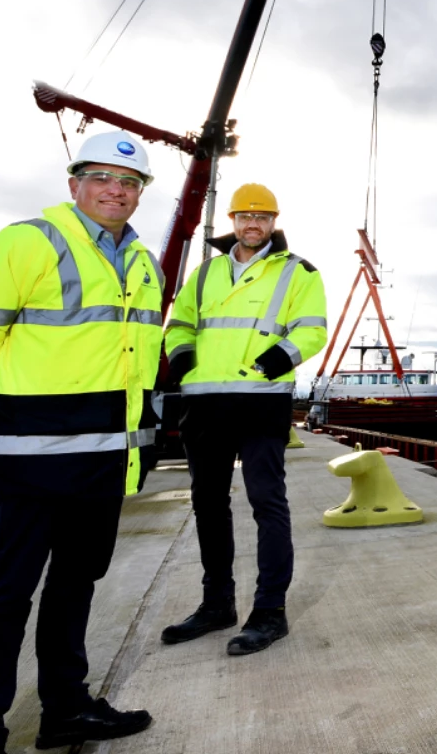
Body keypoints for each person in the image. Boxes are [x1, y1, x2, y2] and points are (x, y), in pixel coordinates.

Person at [0, 129, 163, 754]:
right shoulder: (27, 242)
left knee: (75, 586)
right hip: (34, 458)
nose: (115, 191)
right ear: (74, 185)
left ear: (140, 194)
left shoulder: (143, 262)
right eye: (102, 179)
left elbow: (135, 359)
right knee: (8, 594)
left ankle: (65, 709)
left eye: (129, 183)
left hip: (104, 460)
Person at [159, 183, 327, 656]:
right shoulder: (207, 271)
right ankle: (217, 605)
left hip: (259, 400)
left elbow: (312, 329)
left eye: (263, 217)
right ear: (233, 220)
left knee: (266, 502)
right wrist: (182, 356)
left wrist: (277, 359)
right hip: (204, 402)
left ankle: (270, 611)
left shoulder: (300, 273)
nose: (253, 225)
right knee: (208, 505)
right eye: (245, 216)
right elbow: (181, 322)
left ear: (274, 222)